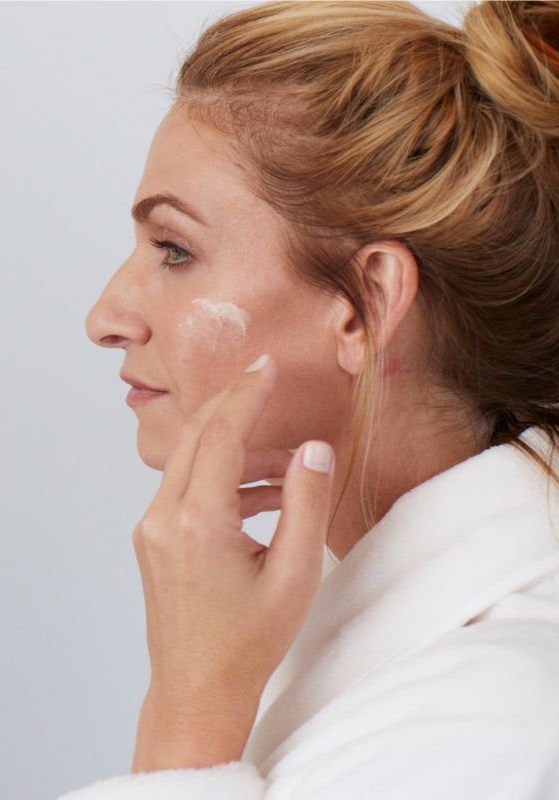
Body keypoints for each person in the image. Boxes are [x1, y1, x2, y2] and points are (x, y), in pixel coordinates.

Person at [68, 1, 559, 797]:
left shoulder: (490, 728)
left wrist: (187, 720)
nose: (106, 318)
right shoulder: (406, 653)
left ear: (365, 305)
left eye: (174, 250)